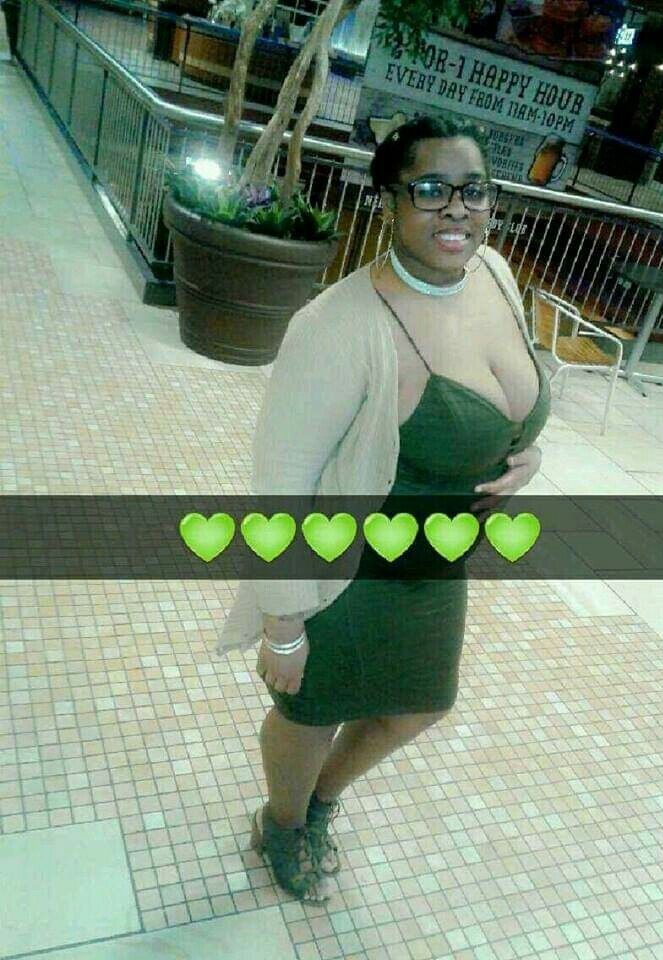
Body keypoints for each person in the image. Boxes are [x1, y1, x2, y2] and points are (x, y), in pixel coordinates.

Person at [231, 114, 552, 903]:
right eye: (430, 189)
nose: (457, 209)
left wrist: (526, 452)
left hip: (436, 563)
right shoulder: (338, 327)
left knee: (418, 706)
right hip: (346, 575)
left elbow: (512, 390)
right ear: (388, 200)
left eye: (474, 190)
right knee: (312, 712)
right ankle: (283, 822)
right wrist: (283, 622)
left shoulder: (493, 274)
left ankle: (320, 801)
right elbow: (280, 482)